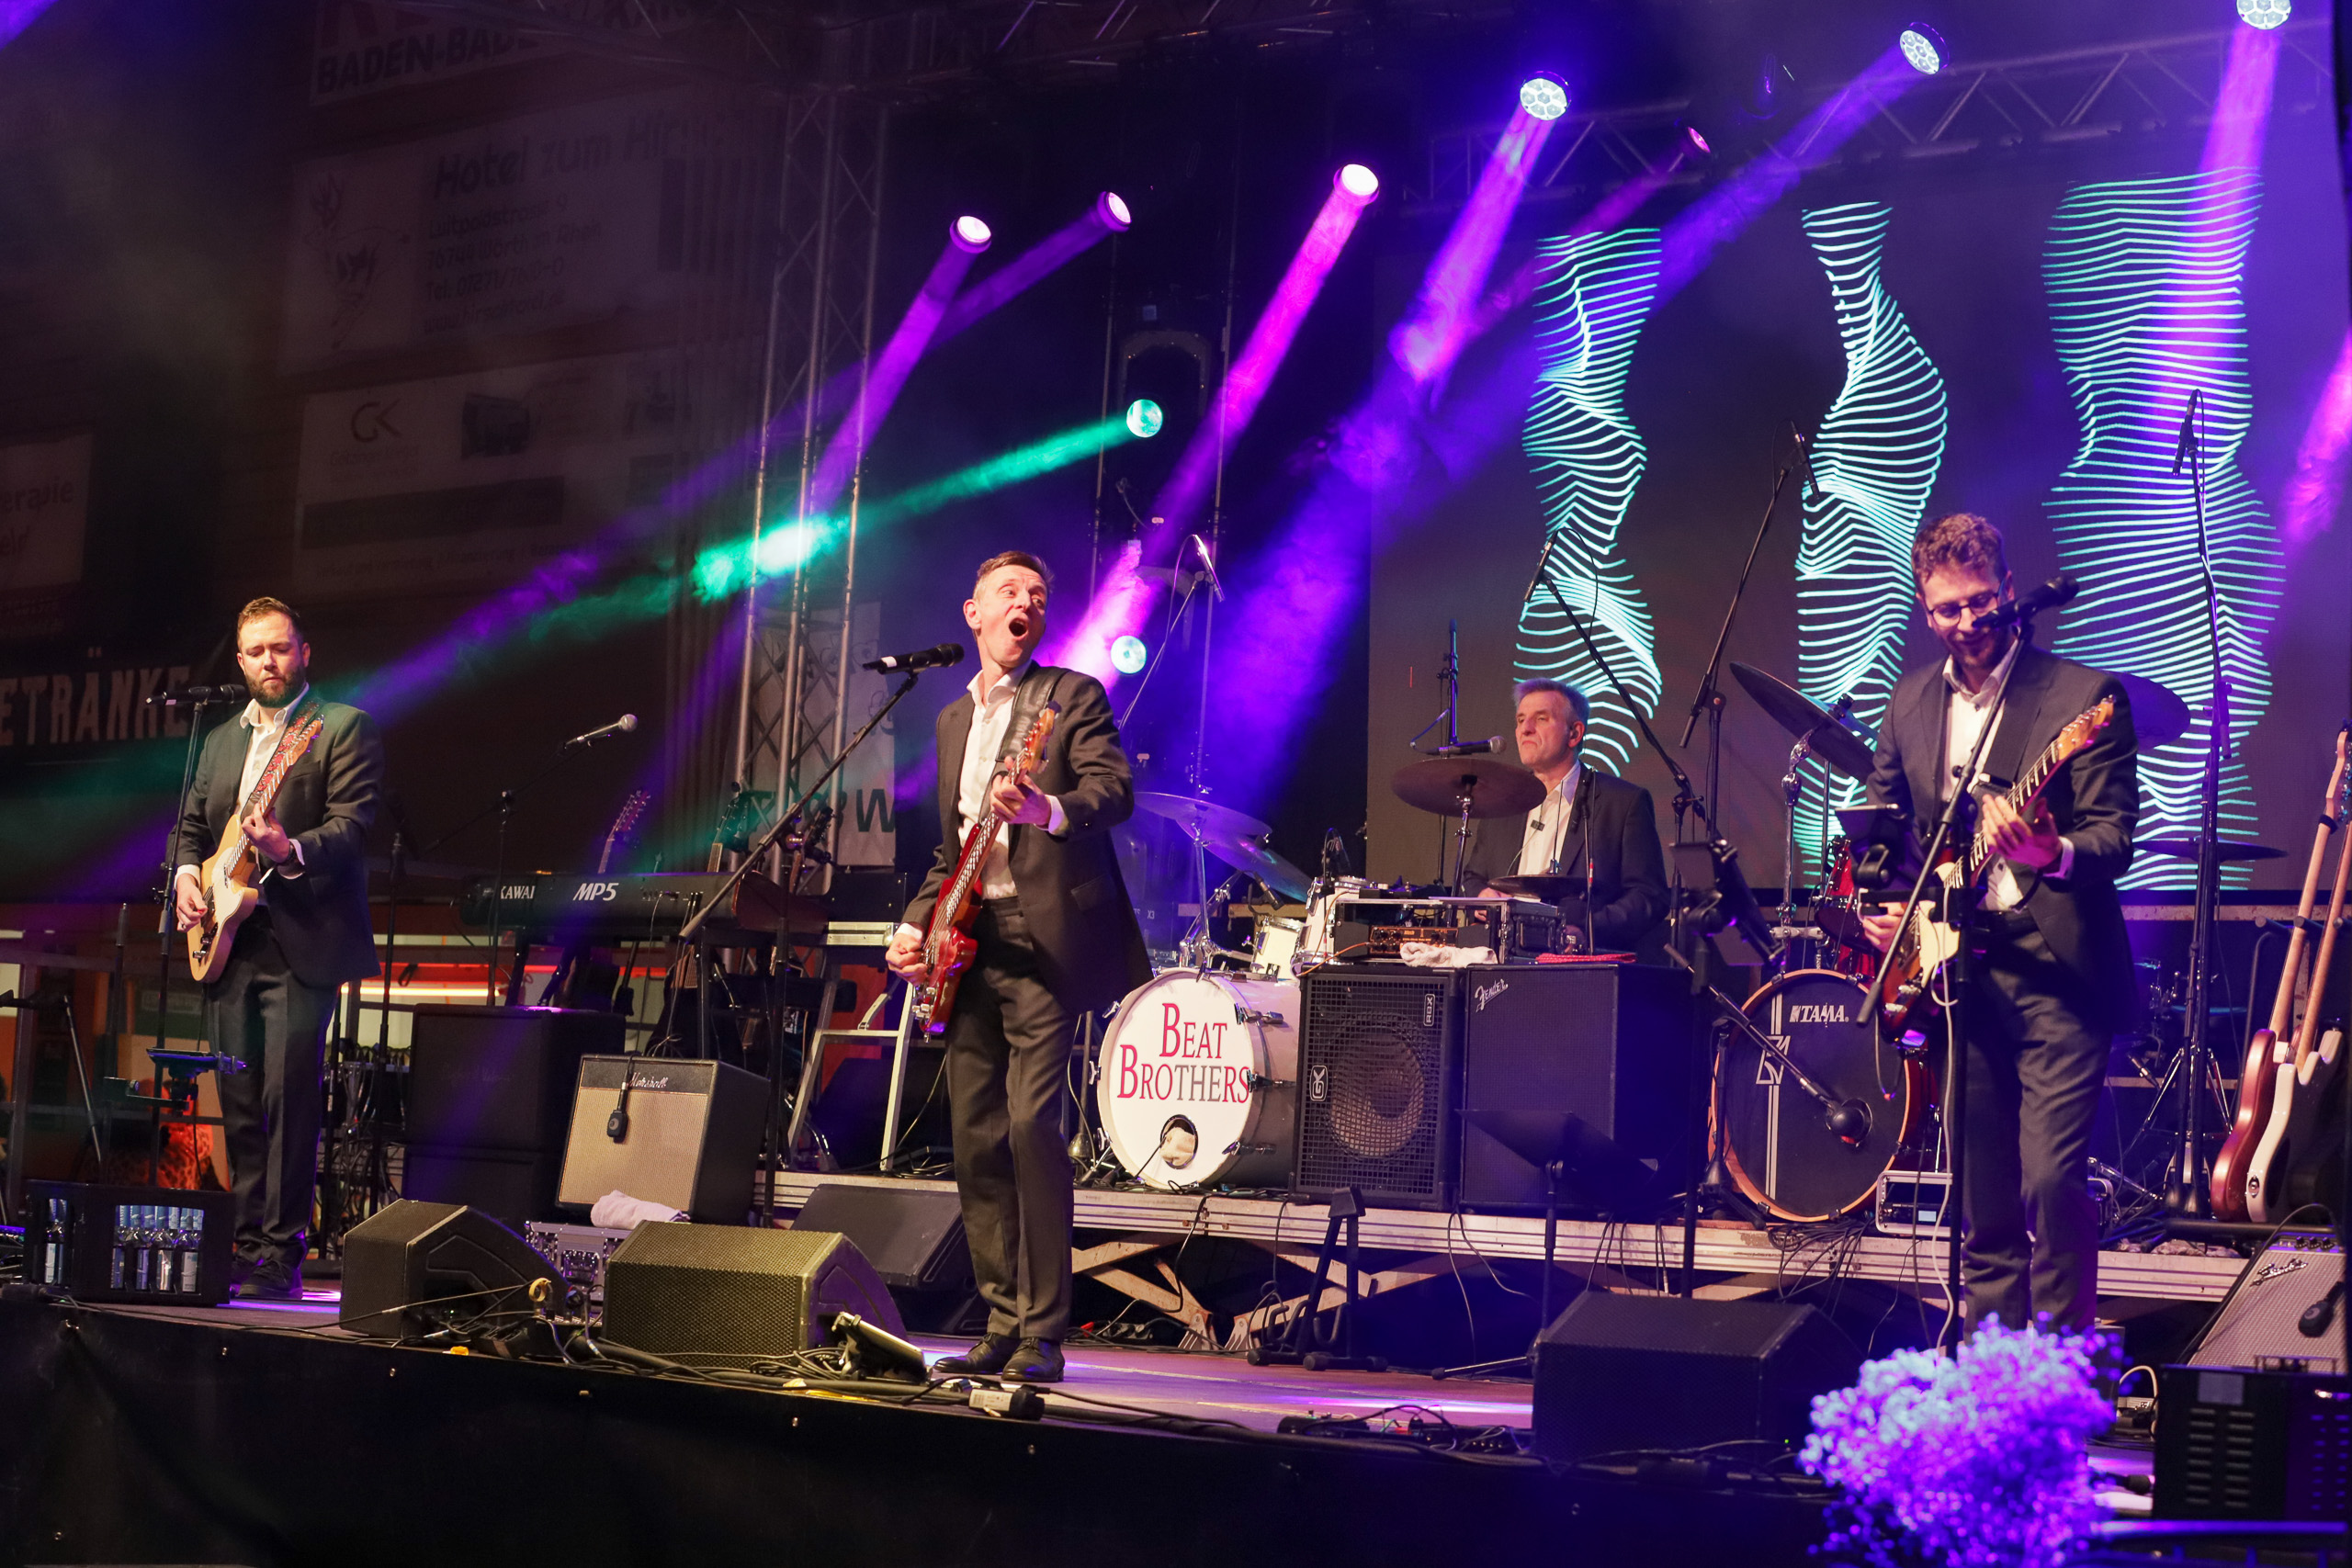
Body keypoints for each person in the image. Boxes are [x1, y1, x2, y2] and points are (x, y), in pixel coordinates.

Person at [1859, 513, 2136, 1334]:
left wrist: (2052, 851)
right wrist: (1889, 912)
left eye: (1981, 601)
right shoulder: (1910, 702)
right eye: (1947, 609)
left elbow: (2113, 837)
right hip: (1959, 975)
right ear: (1925, 610)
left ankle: (2057, 1374)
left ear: (2010, 590)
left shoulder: (2083, 696)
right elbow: (1884, 829)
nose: (1967, 621)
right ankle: (1992, 1372)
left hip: (2058, 972)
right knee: (1983, 1203)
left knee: (2049, 1182)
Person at [885, 552, 1150, 1383]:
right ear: (974, 612)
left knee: (1034, 1126)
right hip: (969, 946)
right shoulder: (951, 720)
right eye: (1009, 591)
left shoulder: (1070, 696)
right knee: (976, 1136)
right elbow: (952, 851)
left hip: (1043, 943)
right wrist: (914, 924)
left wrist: (1047, 808)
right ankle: (1000, 1318)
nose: (1025, 602)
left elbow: (1115, 790)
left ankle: (1043, 1329)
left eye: (1037, 594)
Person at [173, 597, 383, 1302]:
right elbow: (189, 829)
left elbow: (352, 827)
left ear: (305, 651)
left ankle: (282, 1251)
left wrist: (287, 848)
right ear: (240, 660)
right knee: (237, 1099)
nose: (270, 661)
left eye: (281, 648)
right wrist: (185, 877)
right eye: (257, 651)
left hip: (301, 941)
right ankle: (246, 1244)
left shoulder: (340, 727)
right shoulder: (218, 741)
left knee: (287, 1099)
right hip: (229, 943)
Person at [1459, 677, 1670, 961]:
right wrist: (1482, 896)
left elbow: (1648, 897)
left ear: (1574, 733)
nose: (1525, 729)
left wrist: (1586, 930)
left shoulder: (1623, 803)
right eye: (1520, 720)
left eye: (1541, 719)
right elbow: (1473, 877)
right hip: (1500, 962)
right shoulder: (1502, 802)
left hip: (1578, 966)